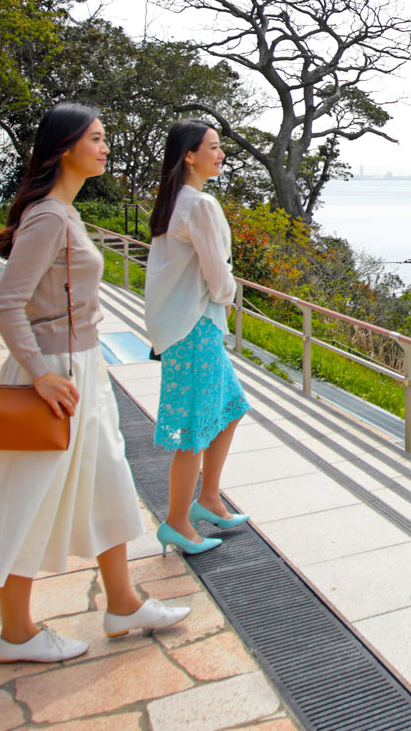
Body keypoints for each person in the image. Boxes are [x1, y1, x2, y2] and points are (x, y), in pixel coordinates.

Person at [0, 104, 190, 664]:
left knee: (109, 481)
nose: (106, 148)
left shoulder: (64, 213)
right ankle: (16, 633)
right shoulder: (50, 218)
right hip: (56, 374)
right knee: (28, 497)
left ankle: (124, 602)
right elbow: (7, 304)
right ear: (65, 149)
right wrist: (40, 375)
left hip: (81, 368)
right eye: (97, 139)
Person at [143, 120, 253, 553]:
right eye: (213, 147)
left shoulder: (176, 202)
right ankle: (176, 522)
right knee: (194, 426)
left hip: (187, 326)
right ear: (189, 155)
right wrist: (229, 295)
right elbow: (216, 270)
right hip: (195, 327)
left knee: (229, 408)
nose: (220, 153)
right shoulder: (200, 205)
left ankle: (207, 499)